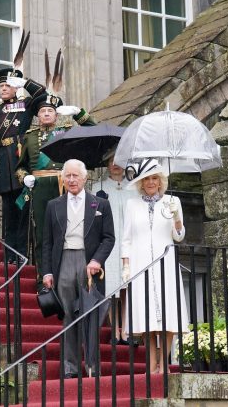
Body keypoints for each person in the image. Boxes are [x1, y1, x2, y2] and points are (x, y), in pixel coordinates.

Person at [42, 159, 115, 378]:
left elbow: (109, 238)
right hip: (63, 262)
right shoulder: (53, 205)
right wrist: (46, 271)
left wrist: (97, 261)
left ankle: (92, 366)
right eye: (68, 176)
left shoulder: (100, 204)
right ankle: (70, 368)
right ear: (62, 179)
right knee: (67, 315)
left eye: (76, 176)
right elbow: (46, 242)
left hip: (88, 263)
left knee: (90, 315)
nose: (72, 180)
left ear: (85, 178)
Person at [16, 92, 96, 291]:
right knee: (43, 233)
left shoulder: (67, 131)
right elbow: (20, 167)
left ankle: (66, 276)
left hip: (64, 185)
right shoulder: (30, 136)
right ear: (38, 115)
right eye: (42, 111)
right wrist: (25, 177)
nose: (46, 114)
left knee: (68, 231)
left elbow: (93, 130)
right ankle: (43, 277)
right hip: (40, 187)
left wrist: (78, 113)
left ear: (56, 115)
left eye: (50, 111)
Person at [121, 158, 189, 374]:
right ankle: (151, 364)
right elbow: (126, 238)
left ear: (161, 182)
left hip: (165, 262)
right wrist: (125, 265)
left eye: (154, 178)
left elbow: (179, 236)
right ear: (141, 182)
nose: (151, 182)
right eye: (147, 179)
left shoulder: (173, 201)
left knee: (168, 314)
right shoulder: (132, 204)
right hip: (140, 263)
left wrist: (177, 218)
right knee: (145, 317)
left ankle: (164, 363)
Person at [0, 67, 46, 262]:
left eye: (7, 85)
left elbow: (42, 94)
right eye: (1, 86)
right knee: (8, 211)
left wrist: (25, 82)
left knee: (23, 209)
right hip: (4, 161)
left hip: (22, 160)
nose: (3, 89)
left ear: (15, 88)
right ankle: (9, 254)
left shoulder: (26, 104)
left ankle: (21, 254)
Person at [91, 147, 138, 345]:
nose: (115, 165)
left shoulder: (135, 187)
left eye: (118, 161)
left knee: (127, 285)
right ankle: (114, 329)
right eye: (111, 162)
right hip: (108, 243)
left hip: (130, 242)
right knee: (111, 287)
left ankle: (126, 330)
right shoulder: (97, 188)